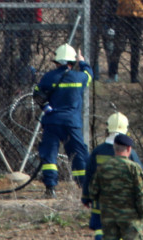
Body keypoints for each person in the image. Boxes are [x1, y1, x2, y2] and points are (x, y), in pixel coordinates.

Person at [35, 43, 93, 197]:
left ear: (57, 62)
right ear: (71, 62)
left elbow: (37, 93)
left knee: (49, 154)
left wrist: (46, 107)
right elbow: (89, 75)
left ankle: (50, 188)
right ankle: (83, 186)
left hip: (52, 122)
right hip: (71, 124)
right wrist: (82, 62)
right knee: (78, 155)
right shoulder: (80, 77)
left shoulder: (48, 77)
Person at [82, 112, 143, 240]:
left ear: (108, 128)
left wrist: (86, 197)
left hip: (102, 206)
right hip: (125, 209)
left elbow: (89, 175)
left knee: (102, 232)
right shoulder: (130, 153)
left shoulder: (97, 151)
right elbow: (141, 175)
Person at [88, 0, 118, 80]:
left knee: (109, 49)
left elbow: (115, 3)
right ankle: (95, 76)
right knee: (93, 50)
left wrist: (113, 21)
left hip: (107, 21)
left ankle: (112, 74)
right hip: (93, 21)